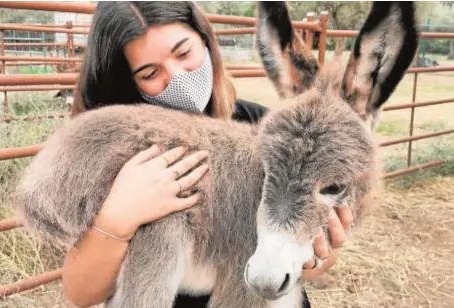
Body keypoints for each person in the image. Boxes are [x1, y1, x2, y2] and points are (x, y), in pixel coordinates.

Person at [63, 2, 353, 307]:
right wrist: (118, 217)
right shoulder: (122, 153)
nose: (177, 78)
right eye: (150, 72)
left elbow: (316, 257)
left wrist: (314, 254)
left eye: (184, 53)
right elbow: (82, 293)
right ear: (131, 82)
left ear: (205, 41)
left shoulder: (267, 130)